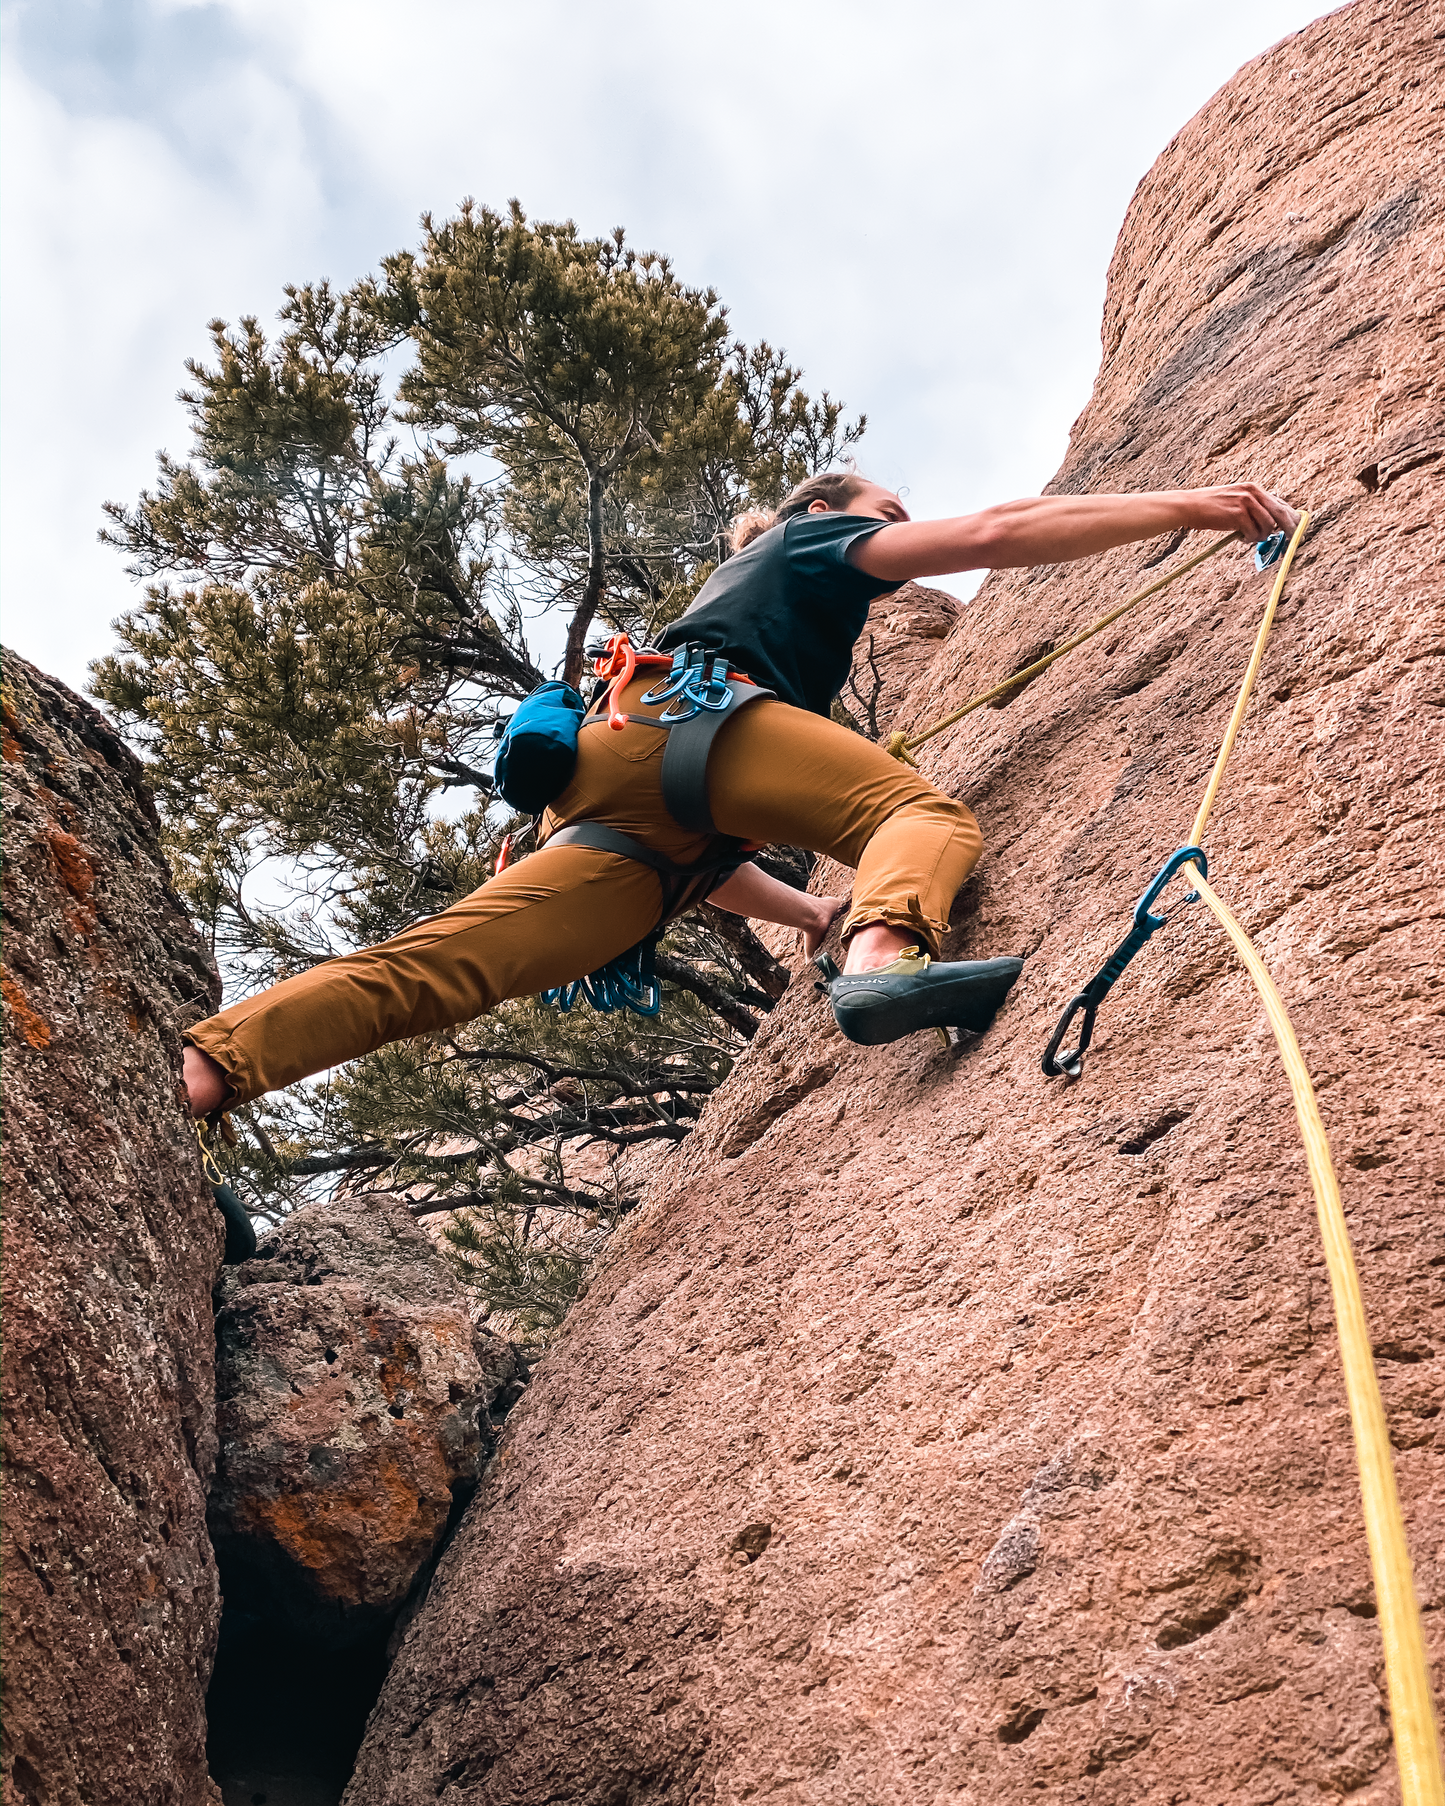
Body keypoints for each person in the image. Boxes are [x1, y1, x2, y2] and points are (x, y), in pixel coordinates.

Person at [182, 471, 1299, 1116]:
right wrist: (1194, 509)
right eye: (885, 509)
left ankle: (202, 1071)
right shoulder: (816, 543)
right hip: (695, 720)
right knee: (919, 818)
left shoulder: (727, 592)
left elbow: (698, 862)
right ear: (826, 510)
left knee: (430, 971)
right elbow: (1001, 534)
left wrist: (810, 912)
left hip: (612, 793)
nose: (893, 528)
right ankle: (882, 967)